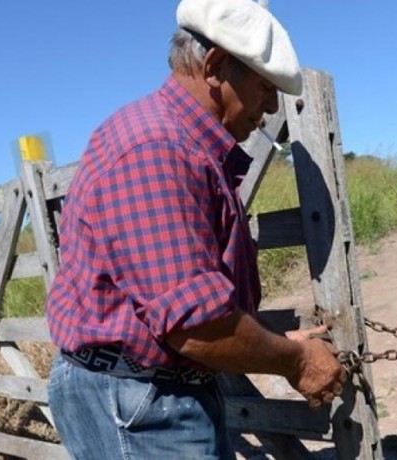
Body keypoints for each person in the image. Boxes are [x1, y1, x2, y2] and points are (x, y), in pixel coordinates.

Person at [44, 0, 346, 458]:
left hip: (144, 393)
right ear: (215, 66)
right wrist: (295, 360)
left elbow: (185, 299)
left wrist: (273, 341)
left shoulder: (178, 144)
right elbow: (197, 327)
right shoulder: (158, 150)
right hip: (140, 403)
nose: (269, 108)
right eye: (265, 87)